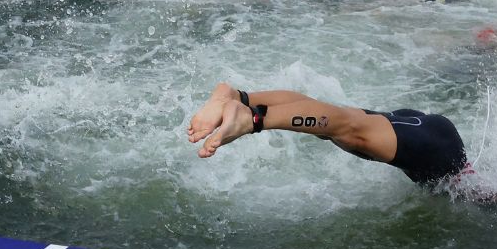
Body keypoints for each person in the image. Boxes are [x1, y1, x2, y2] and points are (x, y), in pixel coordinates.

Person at [186, 81, 470, 185]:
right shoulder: (477, 187)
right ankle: (251, 118)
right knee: (346, 127)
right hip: (442, 154)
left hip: (424, 129)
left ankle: (239, 96)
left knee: (341, 122)